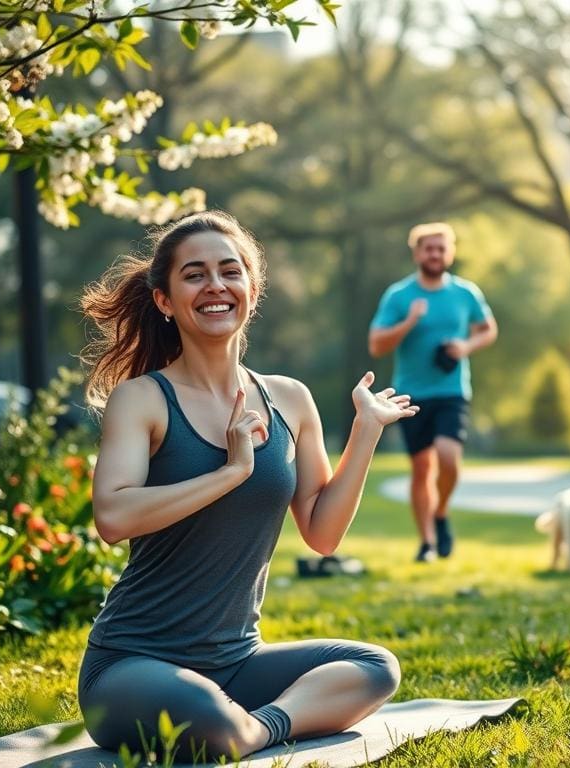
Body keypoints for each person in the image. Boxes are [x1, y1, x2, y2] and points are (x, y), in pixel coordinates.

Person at [77, 211, 418, 761]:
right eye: (194, 274)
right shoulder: (142, 399)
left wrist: (365, 433)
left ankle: (257, 730)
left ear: (251, 291)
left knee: (376, 667)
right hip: (132, 663)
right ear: (165, 299)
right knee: (206, 714)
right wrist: (231, 472)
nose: (215, 285)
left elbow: (323, 534)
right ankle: (237, 724)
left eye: (229, 271)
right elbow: (113, 518)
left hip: (237, 662)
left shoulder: (289, 398)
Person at [368, 222, 497, 562]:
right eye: (429, 248)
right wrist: (409, 322)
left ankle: (440, 513)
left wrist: (466, 345)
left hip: (452, 389)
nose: (435, 254)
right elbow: (376, 345)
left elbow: (487, 329)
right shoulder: (399, 296)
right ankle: (426, 541)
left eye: (441, 248)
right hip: (411, 393)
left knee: (448, 457)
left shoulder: (465, 293)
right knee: (422, 469)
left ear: (450, 252)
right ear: (417, 253)